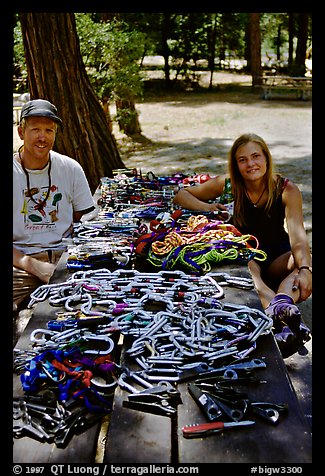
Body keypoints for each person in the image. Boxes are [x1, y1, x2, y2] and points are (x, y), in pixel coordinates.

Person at [173, 133, 312, 357]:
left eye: (256, 156)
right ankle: (279, 317)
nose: (251, 164)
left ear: (266, 158)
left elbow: (298, 236)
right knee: (250, 273)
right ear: (236, 165)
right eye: (242, 159)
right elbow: (181, 195)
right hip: (246, 253)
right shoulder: (228, 185)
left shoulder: (287, 189)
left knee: (302, 264)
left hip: (278, 254)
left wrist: (306, 269)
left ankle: (282, 305)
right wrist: (208, 208)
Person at [13, 99, 96, 342]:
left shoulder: (69, 168)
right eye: (35, 129)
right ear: (21, 132)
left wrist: (62, 262)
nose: (42, 137)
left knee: (96, 304)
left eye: (49, 130)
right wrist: (34, 265)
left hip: (66, 259)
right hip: (20, 262)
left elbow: (83, 218)